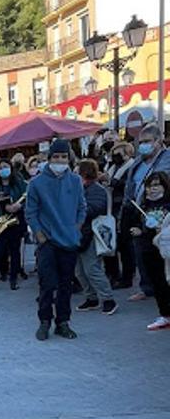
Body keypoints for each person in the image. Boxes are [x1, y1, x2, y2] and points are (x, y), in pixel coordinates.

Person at [24, 139, 87, 341]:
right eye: (56, 157)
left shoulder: (76, 181)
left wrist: (75, 229)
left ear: (69, 158)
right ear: (49, 158)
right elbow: (31, 212)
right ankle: (44, 321)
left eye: (63, 157)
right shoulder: (36, 183)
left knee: (66, 285)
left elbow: (82, 208)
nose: (60, 160)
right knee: (47, 284)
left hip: (69, 240)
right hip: (48, 242)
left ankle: (63, 322)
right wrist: (40, 236)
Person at [123, 124, 170, 303]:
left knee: (163, 248)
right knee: (142, 248)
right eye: (140, 142)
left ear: (158, 141)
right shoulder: (138, 161)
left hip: (162, 208)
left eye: (147, 142)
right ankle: (147, 287)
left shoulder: (167, 158)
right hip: (140, 208)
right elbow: (132, 183)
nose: (143, 145)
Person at [73, 159, 117, 316]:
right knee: (79, 270)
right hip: (78, 234)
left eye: (77, 171)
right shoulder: (80, 189)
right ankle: (91, 298)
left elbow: (95, 209)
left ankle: (108, 299)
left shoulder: (96, 189)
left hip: (91, 234)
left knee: (92, 269)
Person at [129, 171, 170, 330]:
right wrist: (139, 230)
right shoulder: (143, 205)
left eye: (156, 185)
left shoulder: (168, 205)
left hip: (166, 250)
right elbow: (138, 224)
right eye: (149, 186)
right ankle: (165, 314)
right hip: (148, 249)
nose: (152, 189)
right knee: (157, 283)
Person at [0, 159, 27, 292]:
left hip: (14, 223)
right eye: (0, 168)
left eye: (6, 167)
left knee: (15, 253)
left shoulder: (19, 184)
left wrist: (19, 205)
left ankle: (13, 280)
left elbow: (29, 198)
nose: (3, 170)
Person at [105, 141, 136, 289]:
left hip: (123, 208)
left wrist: (110, 183)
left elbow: (125, 186)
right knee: (110, 243)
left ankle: (126, 277)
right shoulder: (111, 167)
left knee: (125, 245)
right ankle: (113, 274)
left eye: (118, 153)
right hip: (110, 207)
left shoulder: (131, 167)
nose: (114, 156)